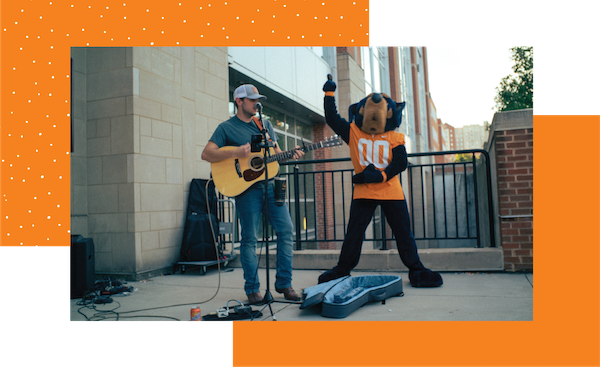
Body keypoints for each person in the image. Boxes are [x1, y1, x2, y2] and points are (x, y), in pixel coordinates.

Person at [201, 84, 304, 304]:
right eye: (251, 100)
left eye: (258, 99)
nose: (257, 103)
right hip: (246, 190)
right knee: (249, 240)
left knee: (286, 230)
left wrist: (290, 154)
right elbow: (207, 153)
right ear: (239, 101)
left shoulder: (265, 125)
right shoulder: (226, 128)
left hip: (270, 186)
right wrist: (237, 152)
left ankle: (284, 284)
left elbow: (276, 155)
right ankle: (253, 289)